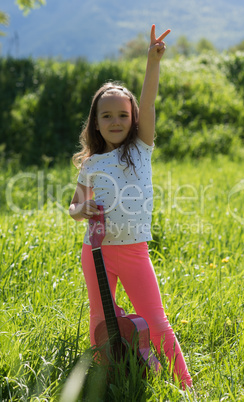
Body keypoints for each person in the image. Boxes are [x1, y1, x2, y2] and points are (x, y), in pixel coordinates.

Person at [69, 24, 192, 389]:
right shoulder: (90, 164)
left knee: (155, 321)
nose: (115, 121)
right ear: (96, 122)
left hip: (135, 252)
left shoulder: (140, 148)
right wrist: (82, 211)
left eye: (123, 115)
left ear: (133, 118)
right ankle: (103, 379)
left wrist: (152, 62)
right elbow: (74, 207)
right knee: (99, 319)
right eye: (106, 116)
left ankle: (185, 386)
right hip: (97, 253)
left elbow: (150, 99)